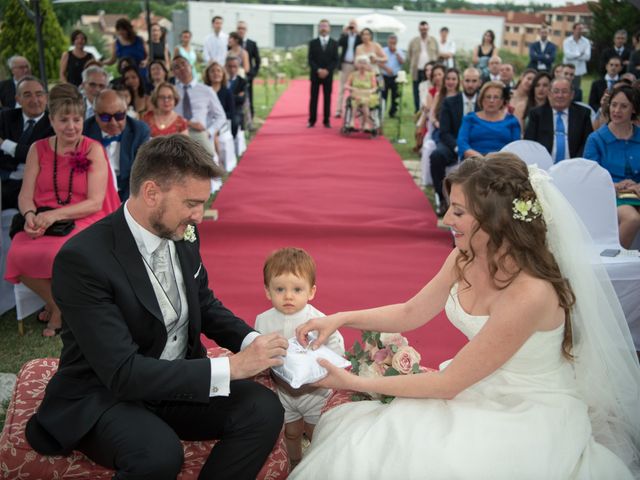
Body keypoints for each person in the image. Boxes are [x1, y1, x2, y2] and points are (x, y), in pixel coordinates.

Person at [289, 153, 640, 479]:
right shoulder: (466, 256)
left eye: (458, 211)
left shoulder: (529, 293)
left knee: (424, 456)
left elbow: (449, 383)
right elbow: (411, 312)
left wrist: (354, 383)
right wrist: (340, 318)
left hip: (526, 407)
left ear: (494, 217)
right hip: (477, 384)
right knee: (365, 444)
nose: (445, 220)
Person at [24, 134, 288, 479]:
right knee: (159, 455)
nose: (200, 216)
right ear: (151, 193)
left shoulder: (182, 230)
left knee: (264, 408)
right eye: (192, 203)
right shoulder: (83, 260)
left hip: (174, 384)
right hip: (105, 394)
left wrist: (252, 341)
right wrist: (233, 368)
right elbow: (123, 373)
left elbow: (203, 303)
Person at [4, 83, 120, 336]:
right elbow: (25, 196)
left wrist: (52, 216)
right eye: (63, 120)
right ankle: (59, 305)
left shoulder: (93, 149)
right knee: (15, 254)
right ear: (51, 121)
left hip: (86, 217)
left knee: (58, 252)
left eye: (77, 119)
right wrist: (30, 216)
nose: (71, 126)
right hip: (44, 217)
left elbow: (95, 202)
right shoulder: (38, 149)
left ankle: (56, 310)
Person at [255, 247, 344, 470]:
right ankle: (295, 464)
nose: (288, 296)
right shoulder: (263, 320)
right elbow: (259, 350)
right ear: (267, 291)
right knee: (291, 432)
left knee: (317, 432)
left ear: (311, 291)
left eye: (297, 289)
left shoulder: (318, 319)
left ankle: (316, 466)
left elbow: (336, 344)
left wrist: (331, 367)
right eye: (279, 289)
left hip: (315, 390)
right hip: (283, 391)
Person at [584, 85, 640, 248]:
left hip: (636, 193)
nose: (617, 110)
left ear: (634, 109)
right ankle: (614, 264)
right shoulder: (596, 139)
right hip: (609, 194)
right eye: (614, 104)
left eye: (624, 106)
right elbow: (589, 178)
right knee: (632, 218)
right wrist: (615, 185)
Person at [429, 67, 482, 216]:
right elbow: (444, 132)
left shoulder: (484, 102)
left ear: (479, 83)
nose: (470, 85)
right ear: (462, 82)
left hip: (477, 146)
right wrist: (459, 148)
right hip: (452, 144)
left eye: (474, 81)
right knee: (436, 156)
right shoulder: (449, 102)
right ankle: (442, 197)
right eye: (467, 81)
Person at [84, 89, 150, 200]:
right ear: (95, 114)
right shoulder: (85, 131)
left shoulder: (139, 131)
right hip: (95, 194)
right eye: (105, 117)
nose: (113, 122)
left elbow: (142, 172)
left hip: (129, 193)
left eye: (119, 116)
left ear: (126, 111)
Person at [0, 76, 54, 210]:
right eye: (27, 95)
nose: (34, 100)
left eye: (39, 94)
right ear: (18, 99)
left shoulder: (54, 124)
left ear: (46, 97)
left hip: (33, 186)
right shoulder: (5, 117)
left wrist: (4, 144)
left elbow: (37, 155)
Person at [524, 77, 593, 162]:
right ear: (549, 94)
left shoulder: (583, 114)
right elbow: (529, 143)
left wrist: (576, 163)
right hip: (543, 165)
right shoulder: (536, 114)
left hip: (575, 165)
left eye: (564, 91)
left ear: (572, 95)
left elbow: (587, 143)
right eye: (556, 91)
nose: (560, 95)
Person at [171, 55, 226, 159]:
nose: (182, 68)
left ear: (191, 67)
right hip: (177, 132)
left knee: (207, 155)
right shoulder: (172, 91)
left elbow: (221, 116)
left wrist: (209, 132)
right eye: (177, 67)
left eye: (184, 64)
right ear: (173, 73)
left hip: (199, 133)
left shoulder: (206, 90)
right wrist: (188, 123)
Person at [457, 81, 521, 159]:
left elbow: (516, 147)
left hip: (502, 163)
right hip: (474, 161)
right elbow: (462, 143)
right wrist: (480, 158)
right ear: (481, 99)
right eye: (488, 97)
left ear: (502, 101)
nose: (491, 100)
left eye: (496, 97)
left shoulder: (512, 121)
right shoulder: (469, 119)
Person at [307, 19, 339, 128]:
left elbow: (335, 60)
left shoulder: (334, 43)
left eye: (325, 26)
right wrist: (318, 70)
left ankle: (326, 121)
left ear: (329, 28)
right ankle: (312, 120)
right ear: (318, 28)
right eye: (321, 26)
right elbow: (310, 59)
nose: (324, 28)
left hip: (328, 75)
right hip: (315, 75)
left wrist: (327, 70)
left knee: (327, 98)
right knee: (314, 98)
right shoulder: (313, 43)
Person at [408, 21, 439, 113]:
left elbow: (437, 53)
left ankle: (432, 107)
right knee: (416, 90)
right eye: (422, 29)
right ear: (419, 29)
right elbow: (410, 54)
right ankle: (418, 110)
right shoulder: (414, 41)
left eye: (425, 29)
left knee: (431, 88)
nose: (423, 31)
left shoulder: (433, 40)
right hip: (417, 70)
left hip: (430, 71)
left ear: (428, 29)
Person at [335, 19, 362, 119]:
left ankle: (356, 110)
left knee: (355, 88)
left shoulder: (359, 37)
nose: (351, 27)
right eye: (350, 25)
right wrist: (344, 32)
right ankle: (338, 110)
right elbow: (338, 44)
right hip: (345, 64)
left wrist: (357, 32)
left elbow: (364, 42)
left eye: (353, 25)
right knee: (342, 88)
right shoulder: (345, 36)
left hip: (355, 66)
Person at [345, 55, 378, 132]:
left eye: (364, 63)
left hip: (368, 95)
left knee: (363, 100)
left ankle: (354, 122)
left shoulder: (371, 75)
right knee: (358, 99)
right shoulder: (353, 74)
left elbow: (375, 87)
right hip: (356, 94)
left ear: (367, 65)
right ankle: (364, 123)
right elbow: (346, 85)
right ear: (357, 64)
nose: (362, 65)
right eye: (360, 63)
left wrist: (370, 91)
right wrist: (353, 88)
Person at [236, 21, 260, 118]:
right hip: (235, 75)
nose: (241, 31)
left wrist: (253, 73)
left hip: (247, 75)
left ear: (246, 30)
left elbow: (257, 60)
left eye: (243, 28)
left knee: (249, 96)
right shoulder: (232, 43)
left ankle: (250, 117)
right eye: (239, 28)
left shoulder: (251, 44)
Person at [380, 34, 405, 118]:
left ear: (396, 43)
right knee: (383, 94)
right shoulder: (383, 50)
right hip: (384, 76)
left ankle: (393, 112)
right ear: (388, 42)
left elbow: (402, 62)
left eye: (394, 43)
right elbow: (379, 62)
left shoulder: (400, 51)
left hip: (395, 77)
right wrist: (386, 68)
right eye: (390, 42)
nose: (392, 44)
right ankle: (382, 111)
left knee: (395, 95)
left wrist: (396, 54)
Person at [563, 23, 591, 91]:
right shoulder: (567, 41)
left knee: (576, 89)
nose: (581, 31)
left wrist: (574, 55)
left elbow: (587, 57)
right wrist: (580, 54)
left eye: (582, 29)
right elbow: (567, 55)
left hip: (579, 70)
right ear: (573, 30)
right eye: (579, 29)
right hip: (567, 70)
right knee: (565, 88)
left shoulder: (586, 42)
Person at [226, 56, 248, 138]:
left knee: (235, 121)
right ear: (226, 66)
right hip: (223, 110)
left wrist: (226, 97)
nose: (232, 69)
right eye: (230, 66)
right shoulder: (221, 81)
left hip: (236, 110)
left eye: (234, 66)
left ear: (238, 67)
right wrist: (235, 97)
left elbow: (241, 100)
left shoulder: (242, 82)